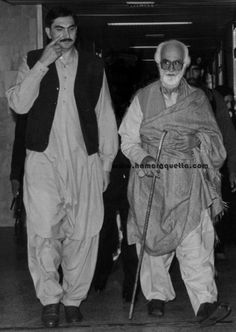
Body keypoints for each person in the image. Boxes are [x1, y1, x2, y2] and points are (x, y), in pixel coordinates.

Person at [6, 6, 118, 328]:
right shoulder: (30, 60)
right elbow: (19, 103)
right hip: (43, 160)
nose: (65, 35)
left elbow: (104, 114)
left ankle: (73, 299)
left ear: (76, 32)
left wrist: (106, 164)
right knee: (43, 232)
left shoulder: (94, 65)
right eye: (58, 29)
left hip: (84, 160)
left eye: (70, 29)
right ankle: (51, 300)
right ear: (47, 32)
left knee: (84, 232)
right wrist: (43, 63)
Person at [119, 39, 231, 325]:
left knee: (195, 241)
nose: (171, 68)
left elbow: (214, 137)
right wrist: (143, 158)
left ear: (185, 65)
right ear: (158, 64)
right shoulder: (142, 98)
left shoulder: (197, 99)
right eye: (165, 63)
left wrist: (201, 146)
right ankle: (156, 294)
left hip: (188, 178)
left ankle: (205, 303)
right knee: (153, 238)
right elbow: (128, 140)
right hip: (150, 178)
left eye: (176, 63)